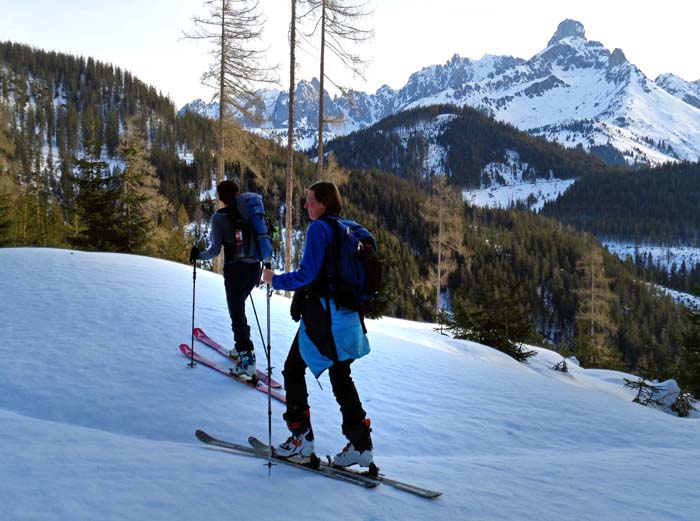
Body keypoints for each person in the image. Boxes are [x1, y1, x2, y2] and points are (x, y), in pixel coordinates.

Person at [261, 181, 374, 468]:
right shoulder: (350, 228)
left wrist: (275, 280)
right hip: (346, 315)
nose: (306, 206)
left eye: (310, 201)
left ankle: (300, 439)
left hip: (324, 318)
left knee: (293, 368)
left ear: (324, 204)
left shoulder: (319, 228)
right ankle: (361, 445)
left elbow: (307, 275)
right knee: (340, 375)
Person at [189, 180, 261, 378]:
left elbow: (214, 251)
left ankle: (247, 361)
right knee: (239, 310)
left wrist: (198, 256)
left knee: (236, 314)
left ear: (220, 197)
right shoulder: (250, 211)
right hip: (255, 269)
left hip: (235, 271)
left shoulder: (219, 218)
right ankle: (241, 349)